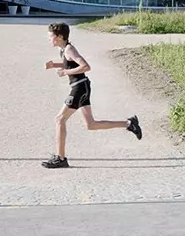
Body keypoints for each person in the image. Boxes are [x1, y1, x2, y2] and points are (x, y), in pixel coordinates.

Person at [42, 21, 141, 168]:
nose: (49, 39)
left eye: (51, 36)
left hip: (79, 88)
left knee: (59, 120)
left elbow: (85, 66)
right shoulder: (64, 50)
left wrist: (65, 72)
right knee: (91, 125)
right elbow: (70, 64)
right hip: (81, 87)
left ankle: (60, 158)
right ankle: (129, 123)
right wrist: (55, 65)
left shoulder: (69, 49)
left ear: (60, 37)